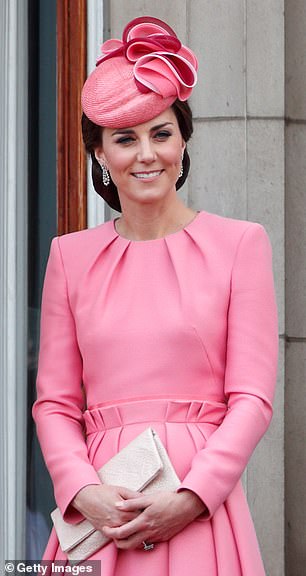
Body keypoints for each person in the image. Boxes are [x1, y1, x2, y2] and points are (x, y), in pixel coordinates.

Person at [32, 16, 278, 576]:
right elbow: (54, 403)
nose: (147, 154)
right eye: (125, 138)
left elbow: (252, 399)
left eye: (161, 133)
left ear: (183, 139)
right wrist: (81, 489)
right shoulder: (69, 257)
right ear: (99, 153)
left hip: (197, 508)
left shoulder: (241, 244)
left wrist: (193, 496)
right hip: (102, 504)